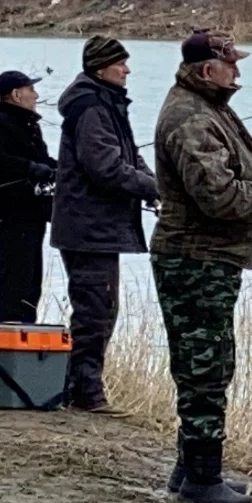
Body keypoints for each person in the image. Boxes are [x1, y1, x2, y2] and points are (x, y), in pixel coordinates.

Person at [151, 29, 252, 503]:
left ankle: (190, 468)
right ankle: (203, 477)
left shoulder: (210, 108)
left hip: (209, 259)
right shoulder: (189, 116)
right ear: (209, 69)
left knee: (209, 360)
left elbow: (245, 174)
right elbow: (219, 196)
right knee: (203, 367)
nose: (238, 72)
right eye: (231, 64)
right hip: (195, 259)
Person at [51, 35, 158, 413]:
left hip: (95, 227)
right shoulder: (92, 107)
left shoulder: (105, 103)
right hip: (87, 228)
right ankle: (85, 394)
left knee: (101, 307)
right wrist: (152, 188)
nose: (127, 69)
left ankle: (78, 388)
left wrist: (155, 187)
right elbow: (106, 168)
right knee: (95, 309)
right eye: (121, 63)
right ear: (101, 68)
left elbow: (130, 156)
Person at [0, 71, 57, 324]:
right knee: (14, 275)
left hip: (34, 211)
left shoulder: (29, 125)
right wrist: (32, 168)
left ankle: (27, 330)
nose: (35, 95)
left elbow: (43, 159)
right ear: (16, 94)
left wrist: (61, 169)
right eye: (30, 89)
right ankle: (7, 330)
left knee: (32, 278)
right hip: (11, 212)